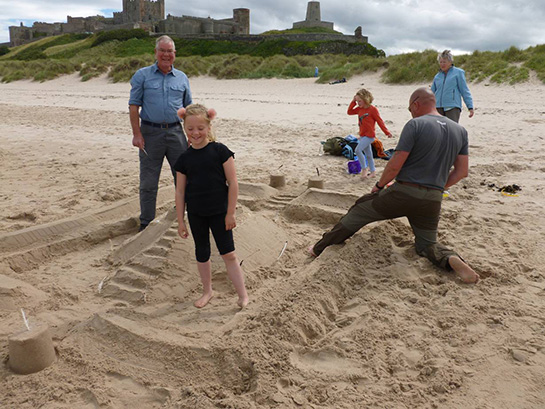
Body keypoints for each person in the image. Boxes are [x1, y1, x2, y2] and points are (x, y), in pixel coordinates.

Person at [309, 87, 480, 284]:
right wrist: (438, 187)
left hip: (404, 192)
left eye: (410, 109)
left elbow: (395, 163)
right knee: (427, 244)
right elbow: (461, 172)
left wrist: (379, 186)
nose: (411, 112)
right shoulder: (460, 130)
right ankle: (451, 259)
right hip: (432, 199)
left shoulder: (415, 125)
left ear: (416, 104)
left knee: (360, 209)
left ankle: (318, 248)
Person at [173, 104, 249, 309]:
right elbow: (180, 192)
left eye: (200, 128)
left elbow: (233, 183)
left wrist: (230, 213)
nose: (195, 133)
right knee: (202, 252)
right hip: (196, 214)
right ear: (184, 129)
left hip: (220, 212)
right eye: (190, 129)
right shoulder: (183, 159)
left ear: (208, 126)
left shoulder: (220, 151)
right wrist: (181, 221)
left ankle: (242, 295)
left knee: (229, 254)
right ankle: (208, 291)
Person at [129, 35, 192, 231]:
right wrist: (137, 134)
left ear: (175, 54)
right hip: (150, 133)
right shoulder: (142, 75)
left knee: (182, 177)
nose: (166, 55)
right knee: (148, 181)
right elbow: (133, 107)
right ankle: (146, 223)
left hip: (176, 132)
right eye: (162, 51)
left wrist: (191, 135)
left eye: (169, 51)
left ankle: (185, 216)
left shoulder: (182, 78)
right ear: (156, 53)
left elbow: (189, 108)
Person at [347, 88, 393, 179]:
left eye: (360, 101)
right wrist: (353, 102)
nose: (358, 103)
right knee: (369, 155)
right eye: (357, 101)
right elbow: (349, 112)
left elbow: (380, 122)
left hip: (370, 136)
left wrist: (387, 132)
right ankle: (373, 172)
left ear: (366, 100)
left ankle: (364, 168)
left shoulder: (372, 109)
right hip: (363, 135)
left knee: (358, 150)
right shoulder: (359, 109)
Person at [431, 49, 474, 123]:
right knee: (439, 131)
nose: (442, 64)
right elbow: (431, 93)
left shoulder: (458, 73)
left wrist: (470, 107)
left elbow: (464, 90)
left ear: (450, 62)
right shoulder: (437, 76)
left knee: (452, 130)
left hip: (452, 107)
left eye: (444, 62)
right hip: (438, 107)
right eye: (440, 62)